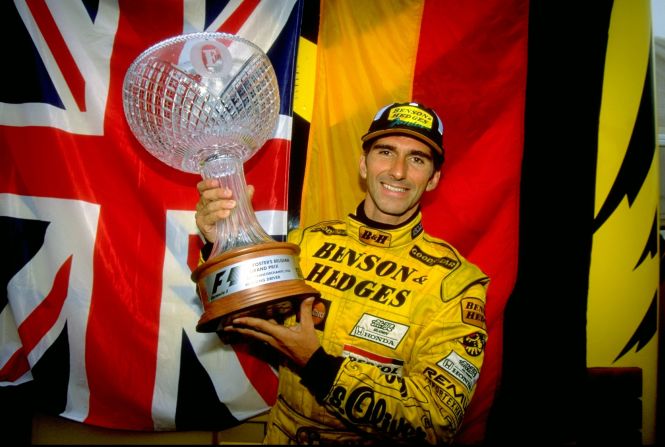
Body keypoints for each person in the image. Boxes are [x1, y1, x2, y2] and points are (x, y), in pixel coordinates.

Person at [194, 102, 489, 445]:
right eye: (385, 152)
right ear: (363, 165)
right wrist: (221, 246)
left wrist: (317, 366)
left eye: (417, 159)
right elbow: (241, 330)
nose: (398, 171)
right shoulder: (305, 243)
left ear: (434, 178)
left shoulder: (456, 284)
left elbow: (437, 421)